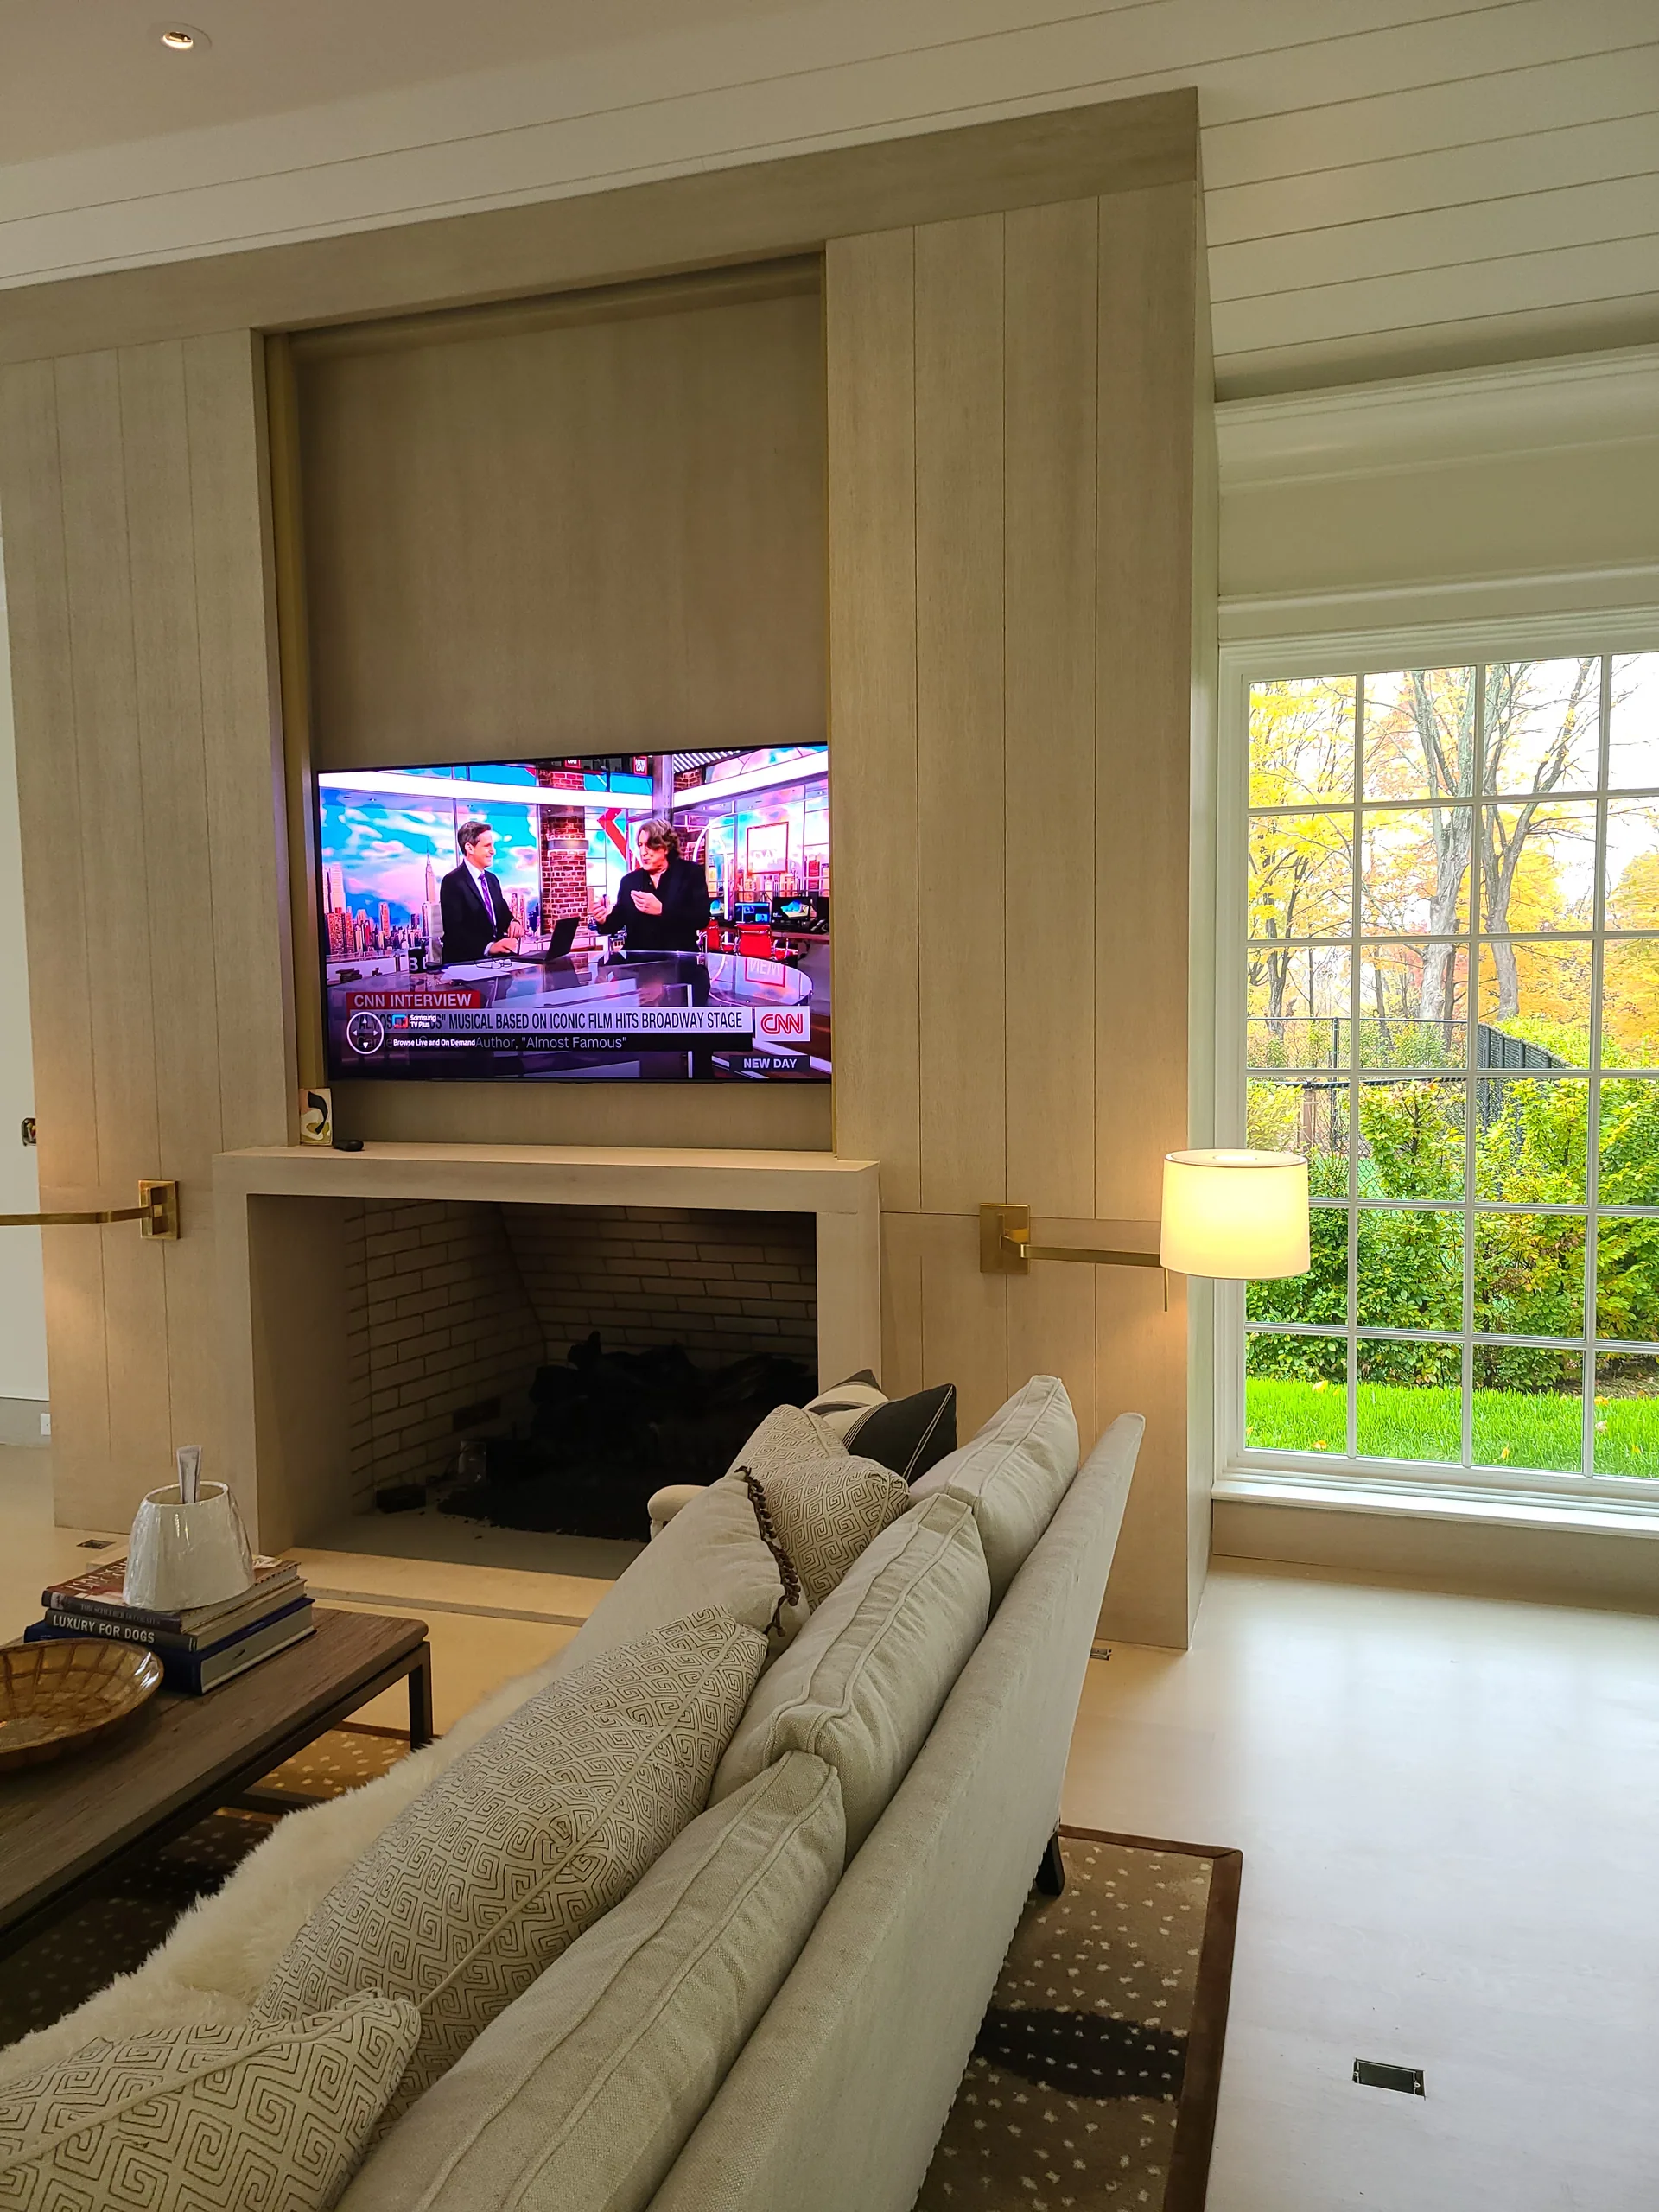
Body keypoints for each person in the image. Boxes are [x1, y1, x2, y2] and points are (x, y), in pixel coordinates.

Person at [596, 820, 711, 953]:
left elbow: (701, 918)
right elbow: (616, 922)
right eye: (640, 845)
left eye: (649, 845)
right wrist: (603, 921)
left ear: (666, 847)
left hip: (679, 964)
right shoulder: (629, 881)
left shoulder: (690, 873)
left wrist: (663, 910)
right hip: (639, 965)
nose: (643, 852)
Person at [438, 819, 523, 964]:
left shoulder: (492, 880)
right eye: (487, 846)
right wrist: (489, 947)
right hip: (466, 964)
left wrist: (512, 922)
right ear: (470, 848)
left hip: (496, 963)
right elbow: (455, 931)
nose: (493, 851)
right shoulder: (452, 882)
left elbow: (502, 913)